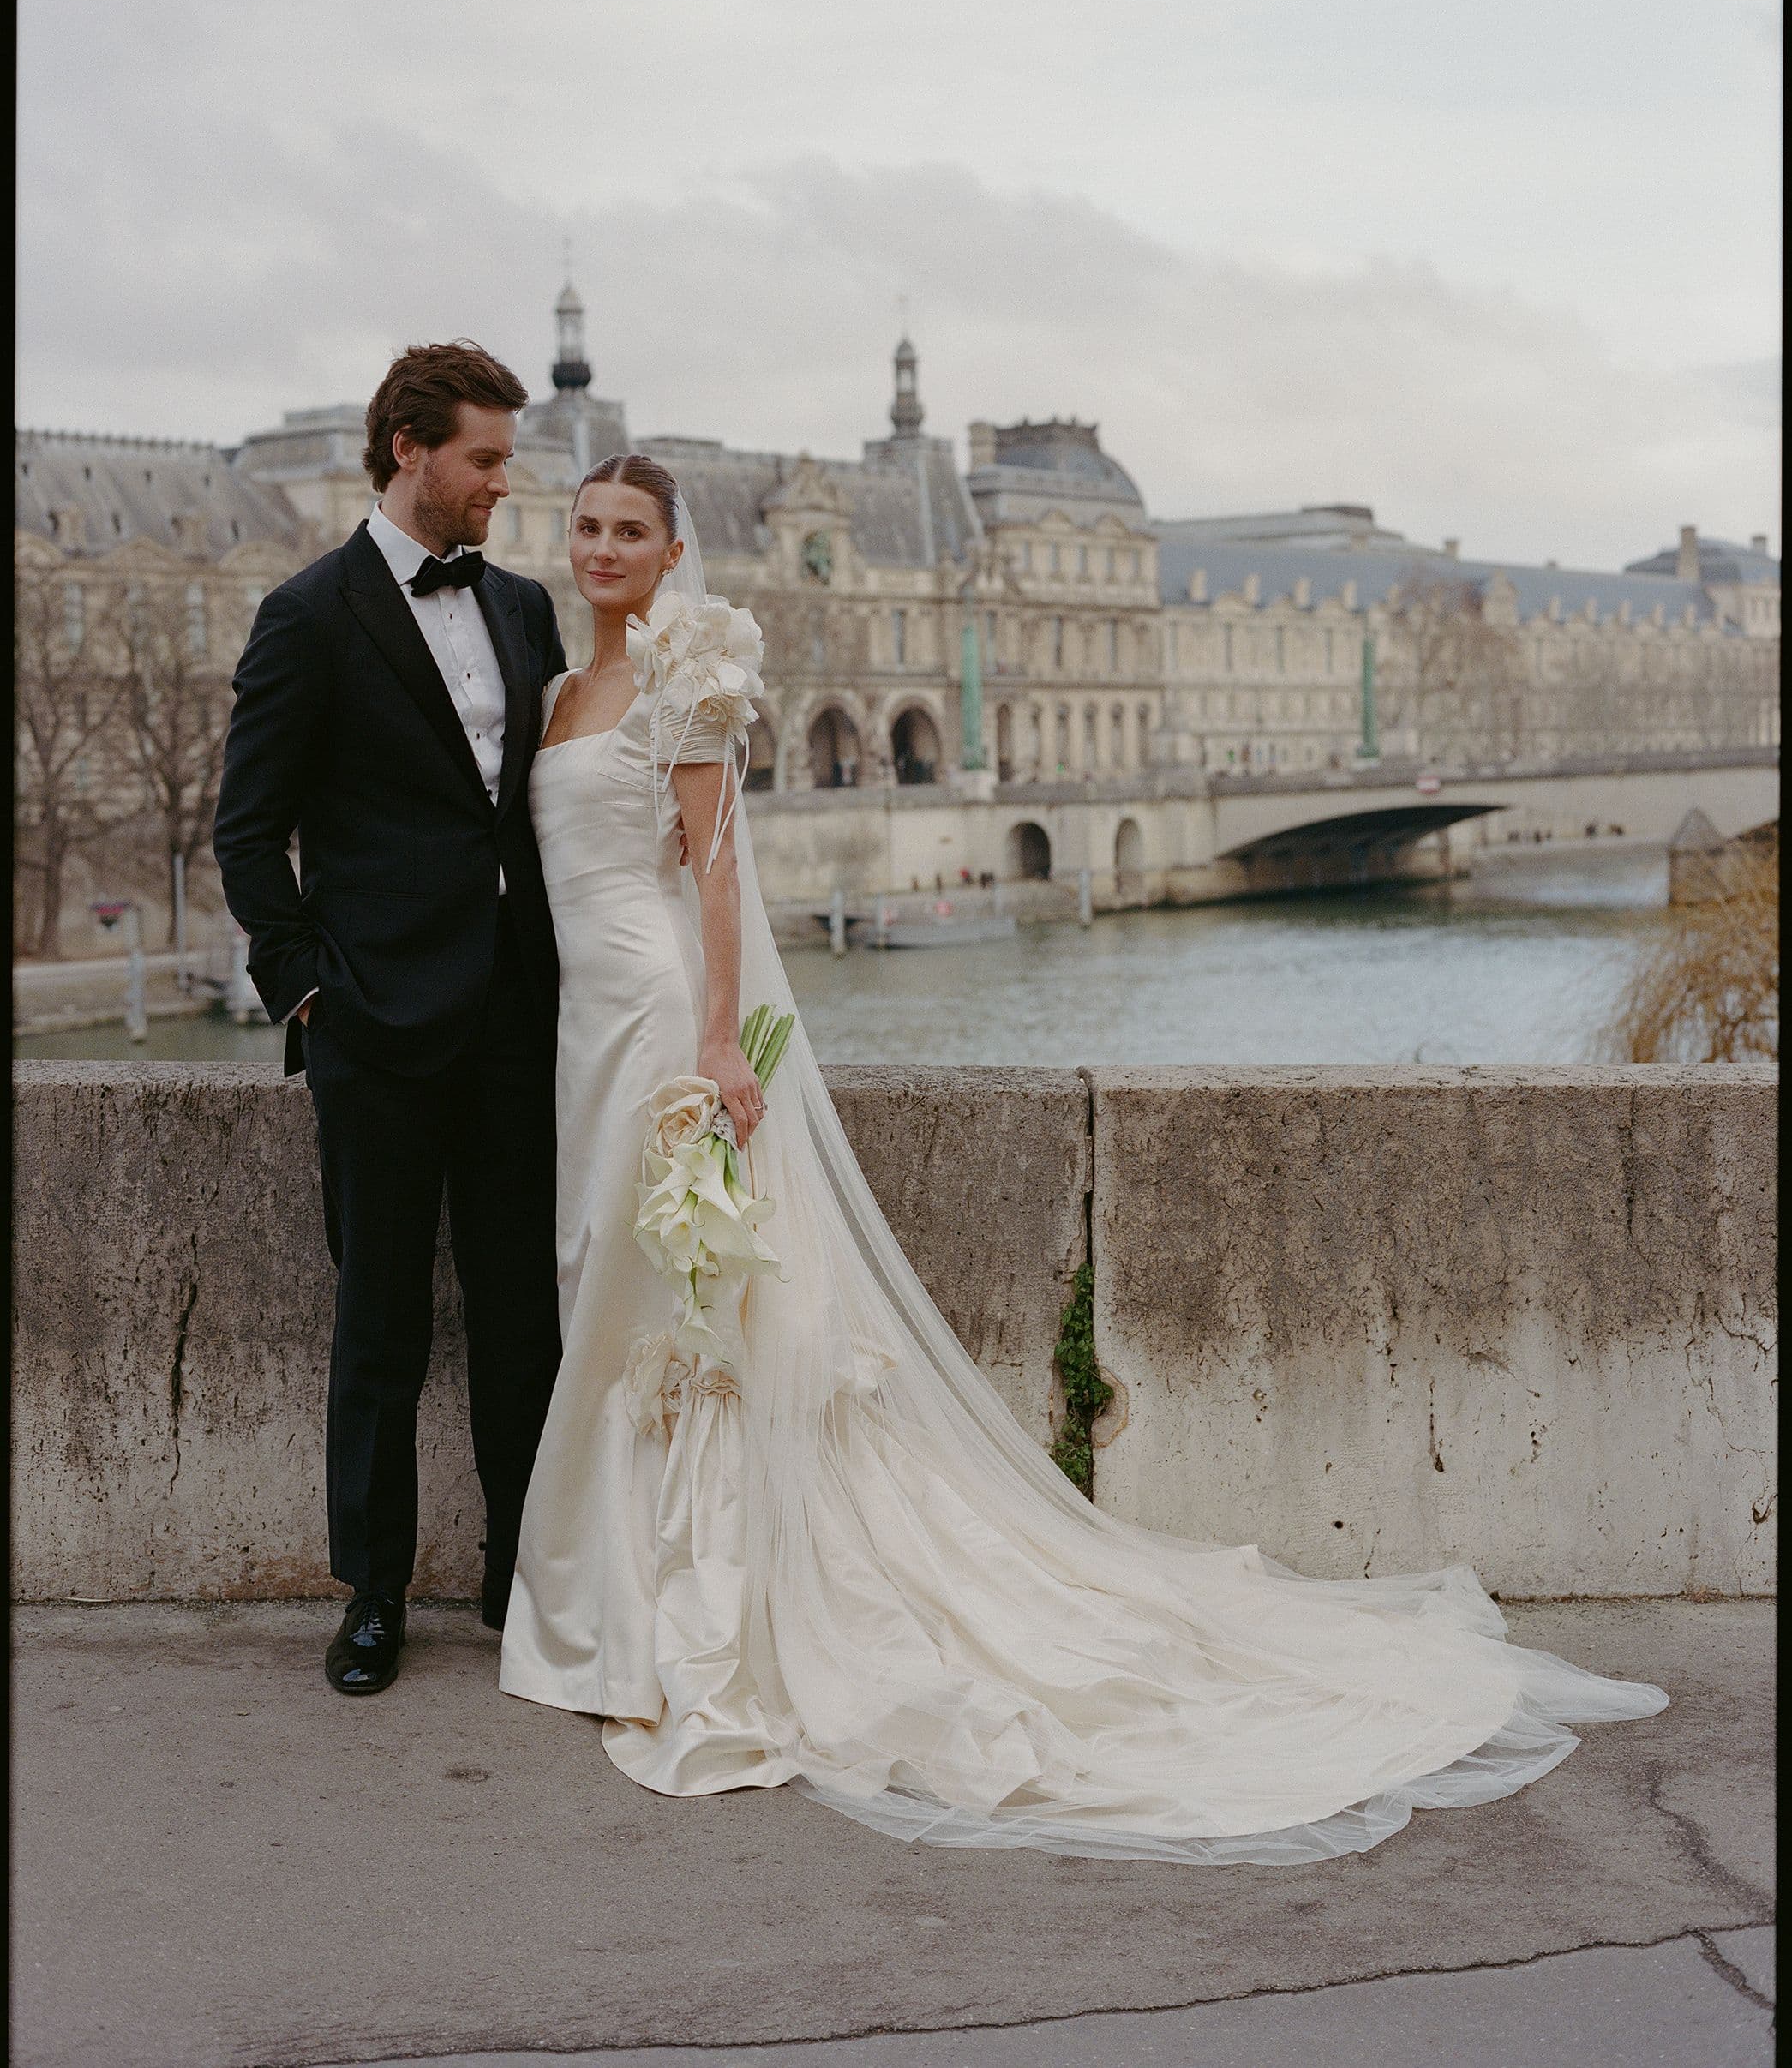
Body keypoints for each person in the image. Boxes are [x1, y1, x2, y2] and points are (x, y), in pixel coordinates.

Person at [499, 451, 1668, 1864]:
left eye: (631, 529)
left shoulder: (689, 679)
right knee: (613, 1289)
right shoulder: (564, 695)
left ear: (676, 549)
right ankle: (629, 1595)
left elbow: (725, 873)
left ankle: (666, 1607)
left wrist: (725, 1044)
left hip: (663, 1019)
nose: (604, 546)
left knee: (678, 1302)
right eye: (588, 526)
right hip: (585, 1022)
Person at [214, 339, 566, 1698]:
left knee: (520, 1316)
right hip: (374, 1025)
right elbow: (248, 834)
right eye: (484, 459)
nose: (501, 484)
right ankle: (373, 1594)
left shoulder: (525, 608)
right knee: (378, 1326)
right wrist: (307, 990)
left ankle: (521, 1573)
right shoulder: (307, 614)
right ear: (411, 450)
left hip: (512, 1017)